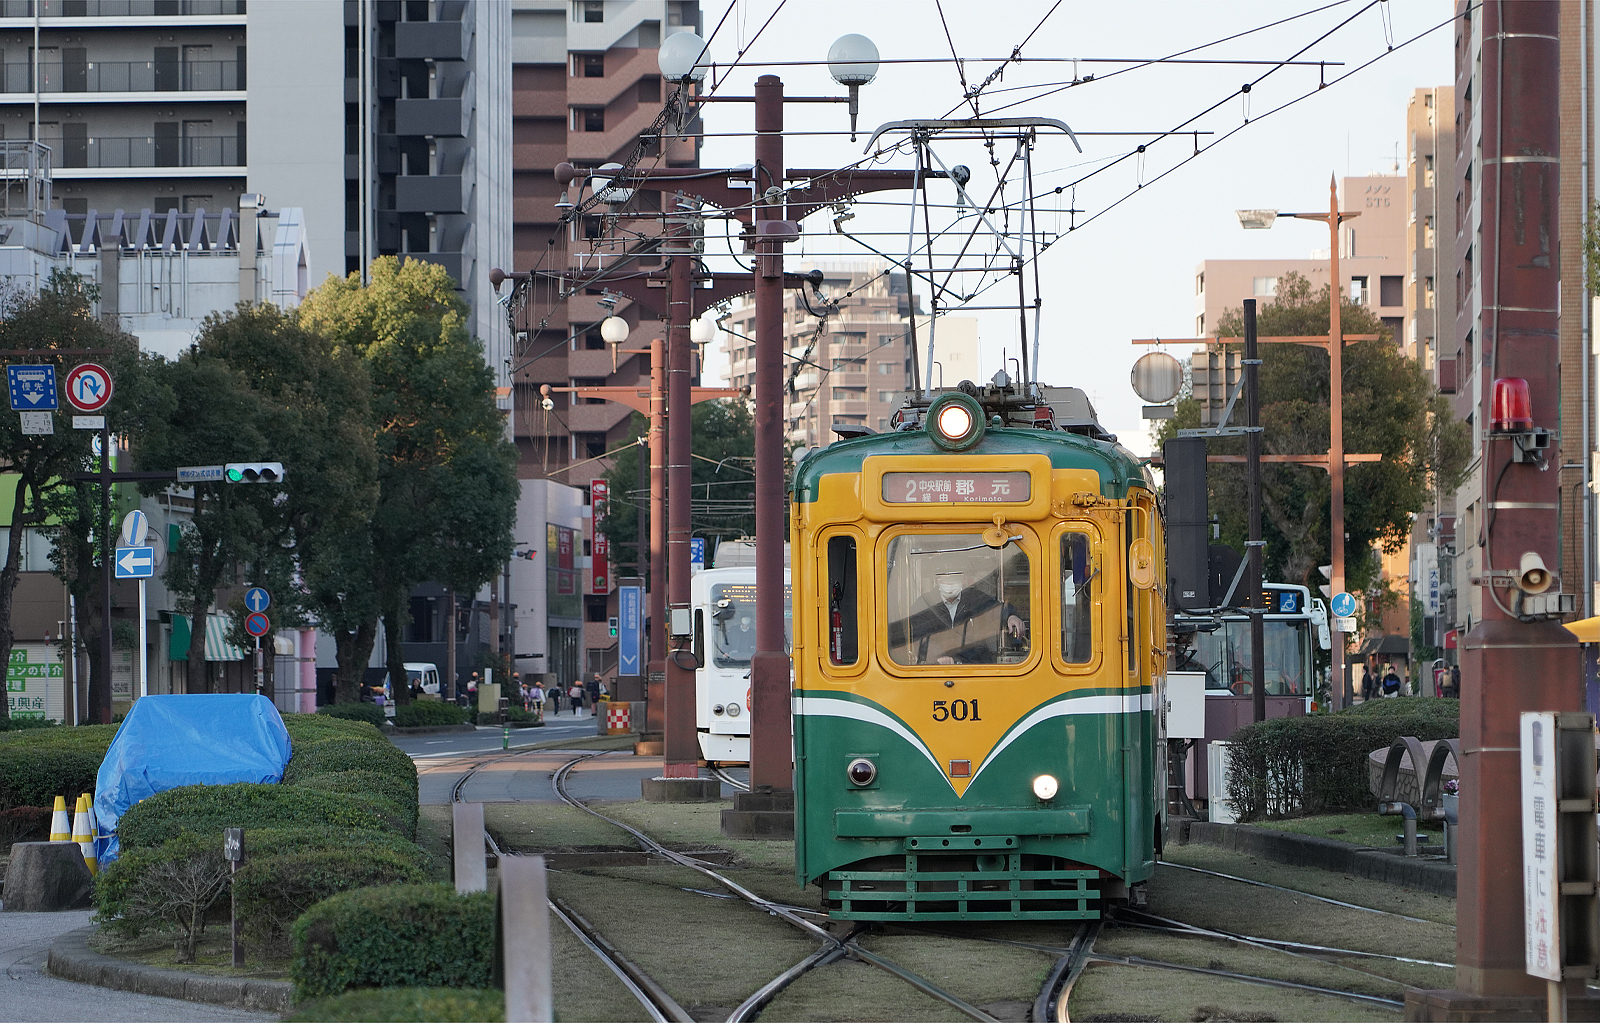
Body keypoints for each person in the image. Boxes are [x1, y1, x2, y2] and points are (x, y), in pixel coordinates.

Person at [890, 569, 1026, 665]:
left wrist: (1010, 616)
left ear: (963, 580)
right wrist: (938, 656)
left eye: (955, 578)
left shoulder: (973, 597)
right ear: (938, 580)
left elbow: (995, 609)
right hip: (937, 667)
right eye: (946, 578)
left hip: (973, 665)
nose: (950, 583)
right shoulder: (924, 603)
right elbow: (919, 636)